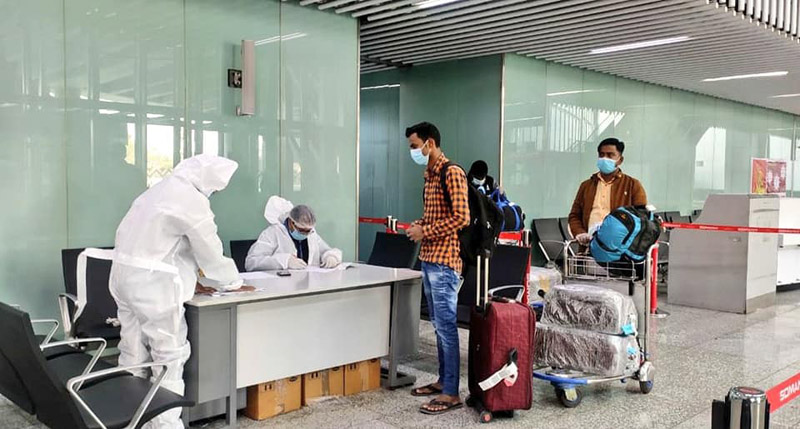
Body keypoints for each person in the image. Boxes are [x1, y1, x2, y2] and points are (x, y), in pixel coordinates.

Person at [110, 154, 254, 429]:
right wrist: (232, 282)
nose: (213, 193)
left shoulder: (157, 190)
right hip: (152, 286)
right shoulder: (190, 199)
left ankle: (131, 421)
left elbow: (161, 243)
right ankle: (164, 425)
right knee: (169, 357)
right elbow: (210, 252)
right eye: (215, 189)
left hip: (122, 277)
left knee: (132, 350)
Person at [405, 122, 469, 415]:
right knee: (438, 325)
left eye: (414, 145)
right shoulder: (429, 176)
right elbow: (436, 216)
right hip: (430, 257)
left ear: (429, 143)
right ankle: (443, 381)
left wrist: (426, 231)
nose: (412, 151)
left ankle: (451, 392)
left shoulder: (451, 172)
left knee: (446, 327)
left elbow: (461, 217)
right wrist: (420, 225)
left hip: (445, 262)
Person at [568, 137, 647, 246]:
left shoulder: (632, 185)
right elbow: (575, 215)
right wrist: (580, 233)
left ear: (620, 160)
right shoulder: (586, 186)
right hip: (589, 246)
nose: (605, 158)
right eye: (602, 155)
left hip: (619, 249)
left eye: (610, 155)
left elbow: (642, 217)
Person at [245, 196, 342, 271]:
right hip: (280, 286)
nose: (305, 234)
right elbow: (251, 262)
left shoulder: (311, 234)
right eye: (301, 230)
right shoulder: (273, 233)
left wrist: (331, 256)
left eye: (308, 230)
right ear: (291, 223)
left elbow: (326, 250)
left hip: (310, 284)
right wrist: (285, 261)